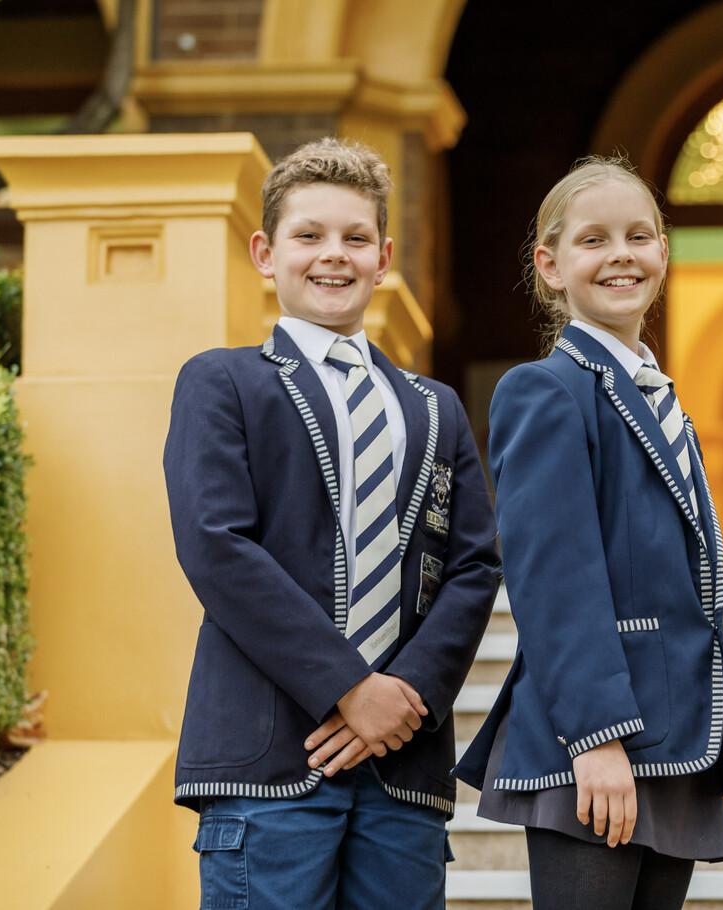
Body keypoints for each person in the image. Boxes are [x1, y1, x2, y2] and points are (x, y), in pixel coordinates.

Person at [163, 137, 500, 910]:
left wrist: (404, 693)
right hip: (269, 759)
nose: (333, 255)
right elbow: (217, 546)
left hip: (404, 765)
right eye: (308, 235)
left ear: (384, 258)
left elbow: (475, 564)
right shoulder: (223, 382)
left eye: (355, 237)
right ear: (265, 252)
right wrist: (348, 687)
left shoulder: (436, 406)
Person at [455, 156, 723, 910]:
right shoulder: (545, 390)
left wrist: (716, 753)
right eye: (594, 240)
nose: (621, 254)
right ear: (550, 266)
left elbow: (693, 601)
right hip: (596, 741)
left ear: (663, 253)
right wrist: (596, 738)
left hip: (677, 743)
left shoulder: (663, 403)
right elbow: (555, 581)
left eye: (639, 236)